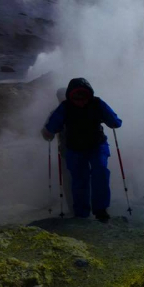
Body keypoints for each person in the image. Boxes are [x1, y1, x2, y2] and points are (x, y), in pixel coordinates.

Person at [42, 78, 122, 222]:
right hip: (74, 149)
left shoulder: (97, 104)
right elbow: (52, 126)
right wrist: (49, 132)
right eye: (76, 98)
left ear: (89, 95)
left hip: (95, 145)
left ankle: (99, 211)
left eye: (83, 97)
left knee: (99, 173)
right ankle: (81, 213)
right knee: (80, 179)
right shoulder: (65, 108)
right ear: (69, 96)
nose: (81, 101)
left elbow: (115, 120)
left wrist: (48, 132)